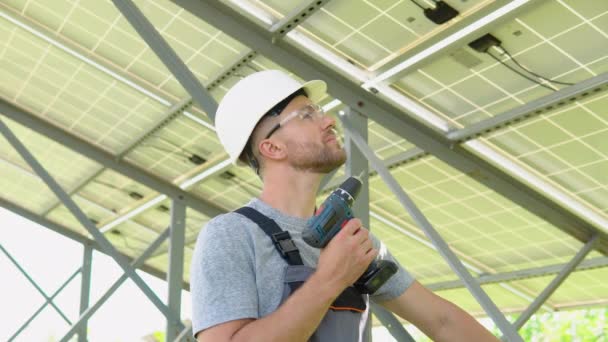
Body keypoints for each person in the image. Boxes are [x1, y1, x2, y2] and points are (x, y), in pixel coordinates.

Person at [190, 70, 499, 341]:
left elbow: (443, 322)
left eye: (319, 110)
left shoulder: (350, 240)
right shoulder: (230, 235)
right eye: (306, 115)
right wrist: (329, 279)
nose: (328, 121)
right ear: (272, 147)